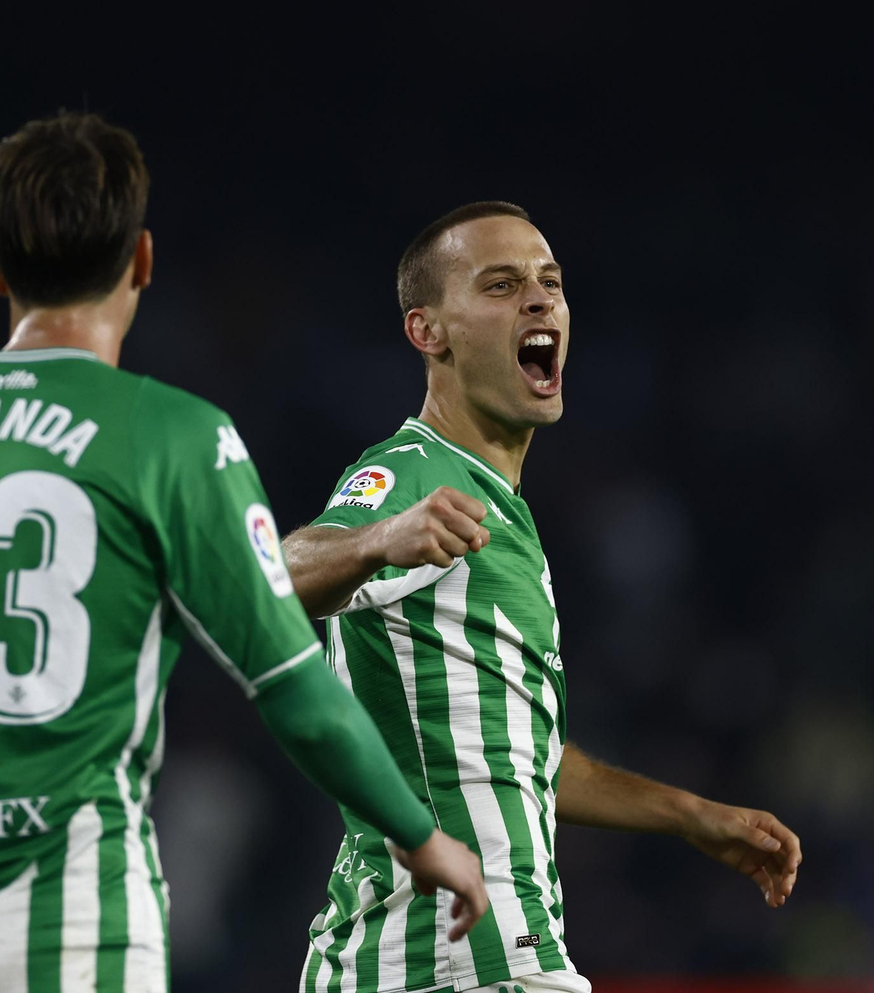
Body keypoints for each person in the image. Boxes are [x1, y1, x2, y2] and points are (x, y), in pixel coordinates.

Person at [0, 112, 487, 993]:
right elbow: (296, 690)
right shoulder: (172, 437)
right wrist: (422, 835)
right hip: (78, 937)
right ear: (141, 260)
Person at [281, 202, 802, 993]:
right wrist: (373, 540)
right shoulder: (414, 471)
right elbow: (272, 578)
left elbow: (520, 763)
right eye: (500, 285)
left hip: (459, 953)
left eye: (549, 283)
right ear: (429, 332)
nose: (539, 300)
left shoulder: (502, 509)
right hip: (451, 960)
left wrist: (691, 814)